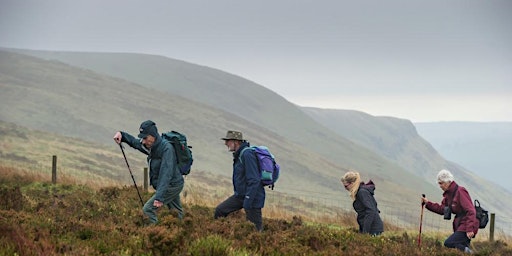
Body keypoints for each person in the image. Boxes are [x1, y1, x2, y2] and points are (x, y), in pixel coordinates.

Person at [113, 120, 184, 224]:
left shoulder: (166, 149)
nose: (144, 141)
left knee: (148, 210)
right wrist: (122, 135)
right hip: (171, 184)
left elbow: (166, 174)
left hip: (172, 185)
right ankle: (183, 233)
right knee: (176, 213)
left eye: (145, 138)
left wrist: (159, 197)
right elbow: (136, 143)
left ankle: (153, 235)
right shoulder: (152, 147)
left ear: (153, 136)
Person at [214, 130, 265, 231]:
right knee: (220, 211)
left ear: (236, 142)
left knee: (255, 230)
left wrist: (248, 200)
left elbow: (254, 180)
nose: (226, 143)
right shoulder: (240, 154)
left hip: (252, 197)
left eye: (228, 141)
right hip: (241, 196)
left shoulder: (247, 154)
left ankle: (260, 245)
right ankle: (220, 235)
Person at [421, 169, 478, 254]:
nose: (440, 186)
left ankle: (473, 254)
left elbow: (471, 210)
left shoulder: (460, 191)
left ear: (448, 181)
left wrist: (469, 229)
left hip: (467, 224)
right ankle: (471, 253)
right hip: (460, 224)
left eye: (441, 183)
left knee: (449, 243)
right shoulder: (448, 195)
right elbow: (442, 209)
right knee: (462, 249)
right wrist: (427, 203)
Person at [341, 170, 384, 235]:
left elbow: (371, 211)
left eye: (346, 186)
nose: (345, 188)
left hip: (372, 229)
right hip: (368, 228)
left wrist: (365, 232)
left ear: (352, 183)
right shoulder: (359, 192)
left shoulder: (362, 192)